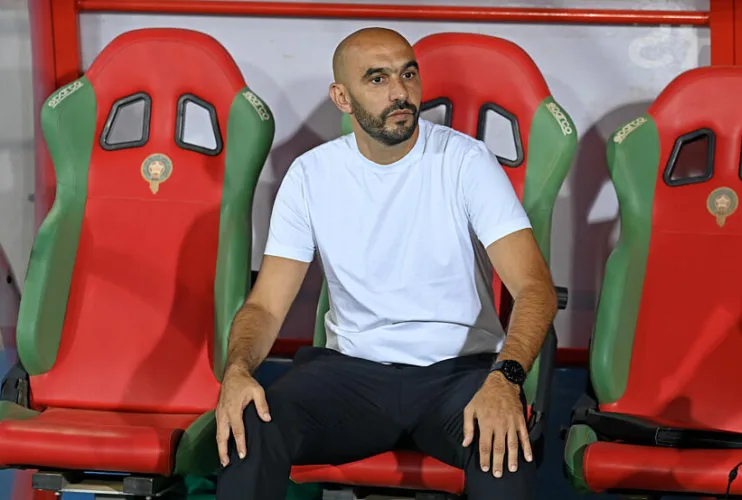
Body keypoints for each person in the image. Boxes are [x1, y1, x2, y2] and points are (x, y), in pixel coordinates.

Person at [214, 27, 557, 500]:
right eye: (377, 79)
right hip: (351, 375)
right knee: (249, 425)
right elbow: (266, 306)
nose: (400, 92)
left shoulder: (466, 161)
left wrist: (507, 378)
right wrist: (237, 371)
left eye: (408, 75)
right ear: (342, 97)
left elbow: (534, 287)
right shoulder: (311, 175)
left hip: (458, 374)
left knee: (503, 450)